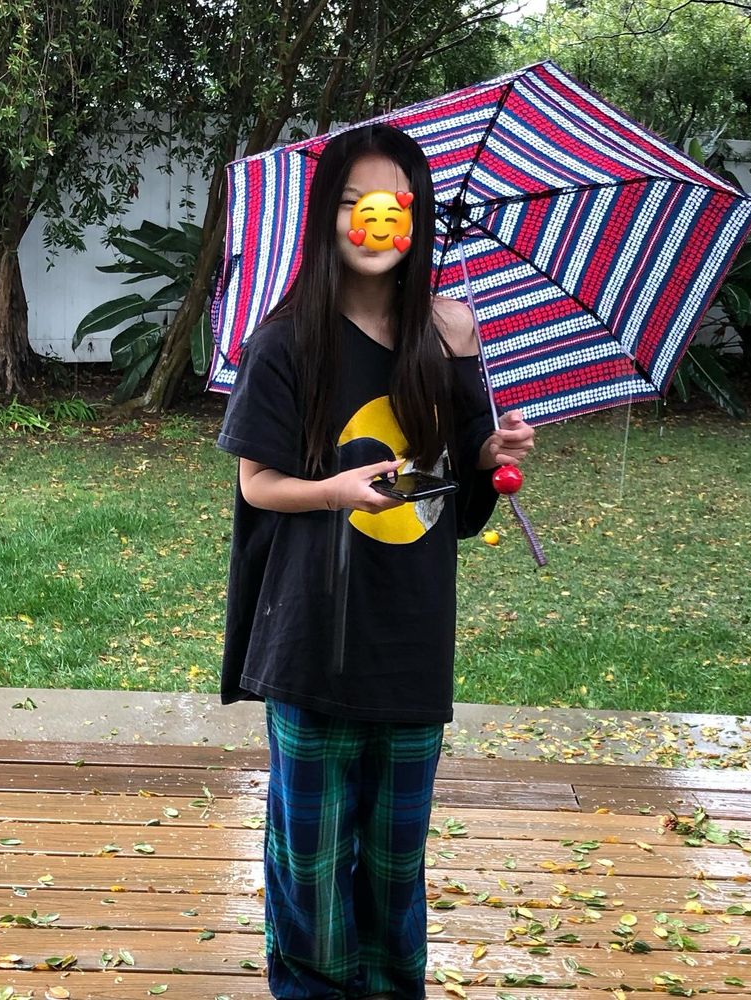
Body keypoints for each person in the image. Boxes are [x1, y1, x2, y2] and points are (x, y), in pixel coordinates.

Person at [217, 123, 535, 1000]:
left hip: (409, 640)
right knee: (312, 862)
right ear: (328, 216)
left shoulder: (449, 333)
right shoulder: (288, 341)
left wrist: (490, 453)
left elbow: (453, 495)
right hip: (313, 639)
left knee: (396, 863)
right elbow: (257, 484)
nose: (373, 221)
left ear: (419, 218)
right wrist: (335, 491)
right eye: (355, 203)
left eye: (391, 204)